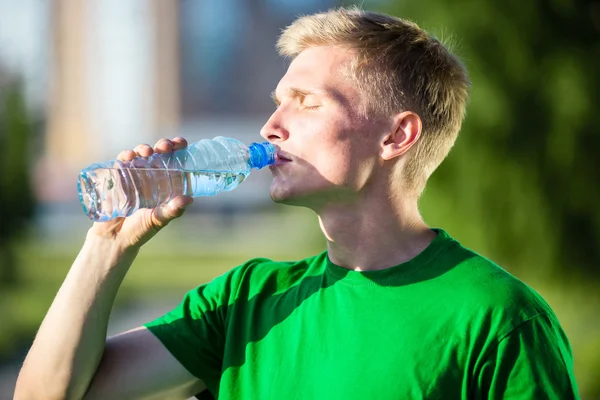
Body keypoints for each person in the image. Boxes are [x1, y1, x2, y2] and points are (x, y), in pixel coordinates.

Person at [15, 7, 579, 400]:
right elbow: (45, 394)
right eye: (276, 101)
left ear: (395, 137)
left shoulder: (499, 318)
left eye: (305, 102)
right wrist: (108, 242)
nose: (270, 126)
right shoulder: (247, 300)